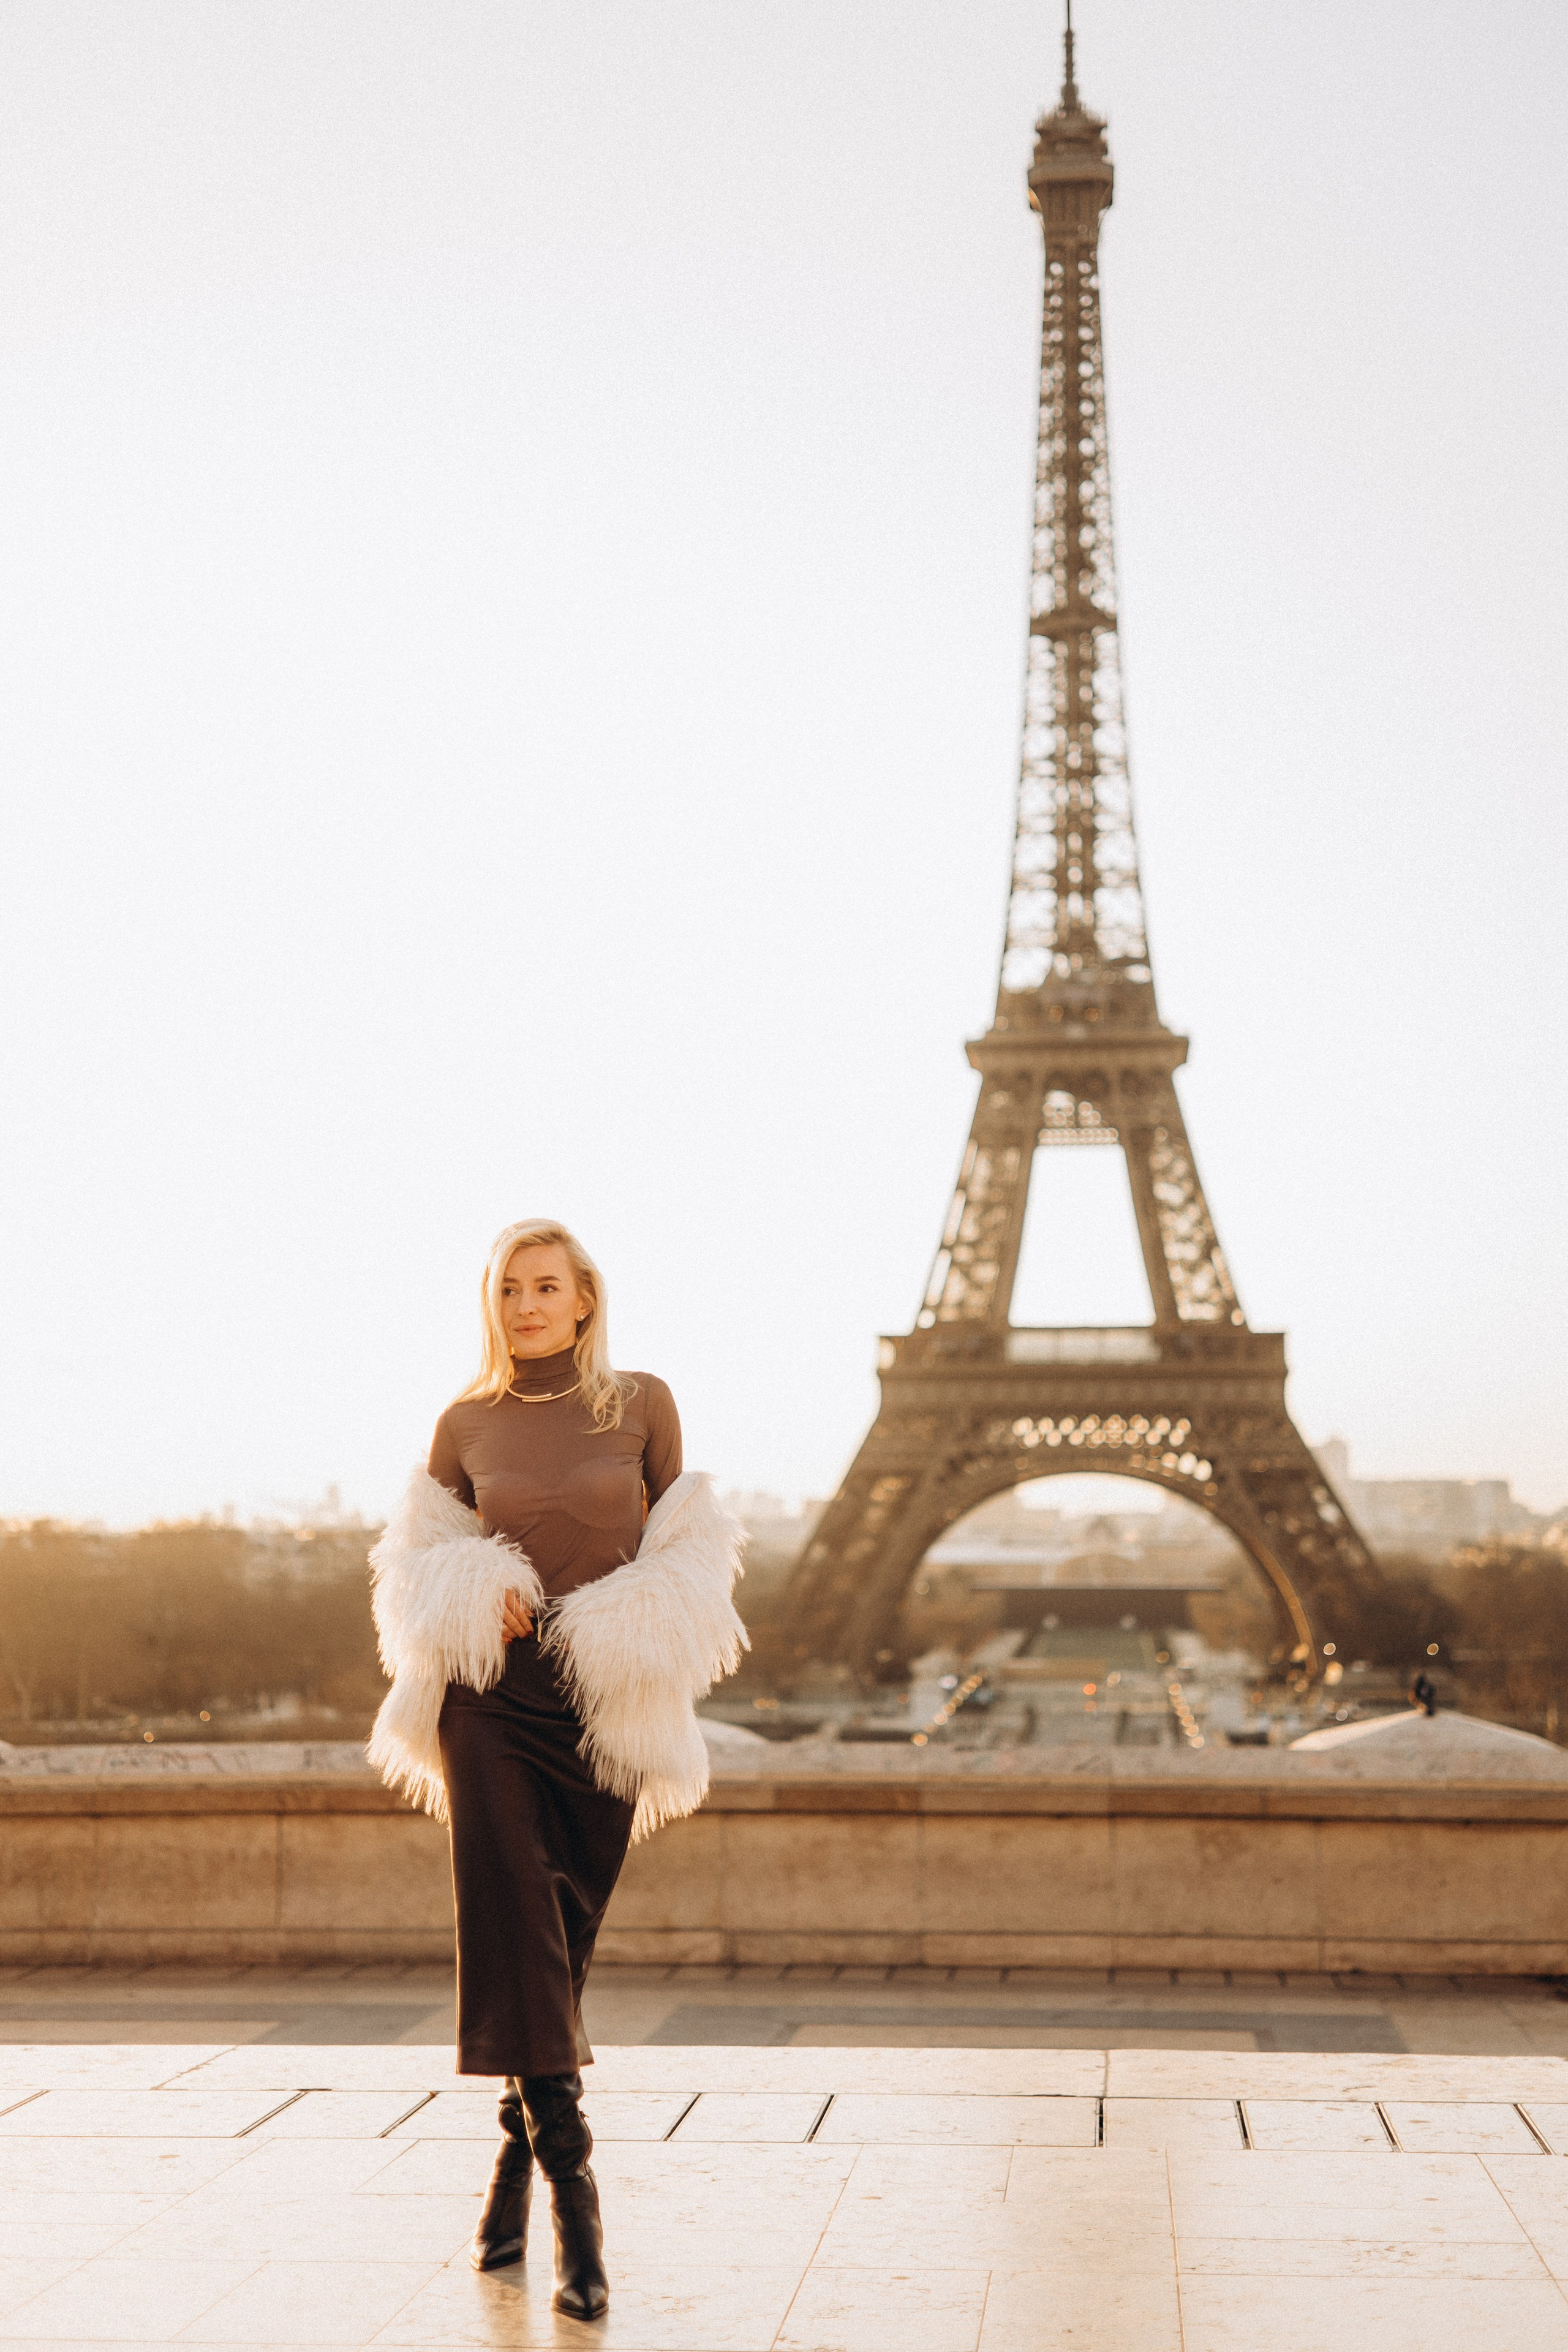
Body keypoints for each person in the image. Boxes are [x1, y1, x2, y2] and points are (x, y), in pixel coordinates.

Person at [367, 1218, 745, 2319]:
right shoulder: (467, 1420)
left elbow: (688, 1551)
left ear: (585, 1299)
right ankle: (581, 2211)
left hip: (603, 1704)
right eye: (509, 1288)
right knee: (518, 1924)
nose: (527, 1304)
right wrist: (465, 1584)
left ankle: (507, 2180)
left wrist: (629, 1621)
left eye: (547, 1286)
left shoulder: (642, 1404)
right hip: (490, 1702)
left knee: (558, 1943)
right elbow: (413, 1559)